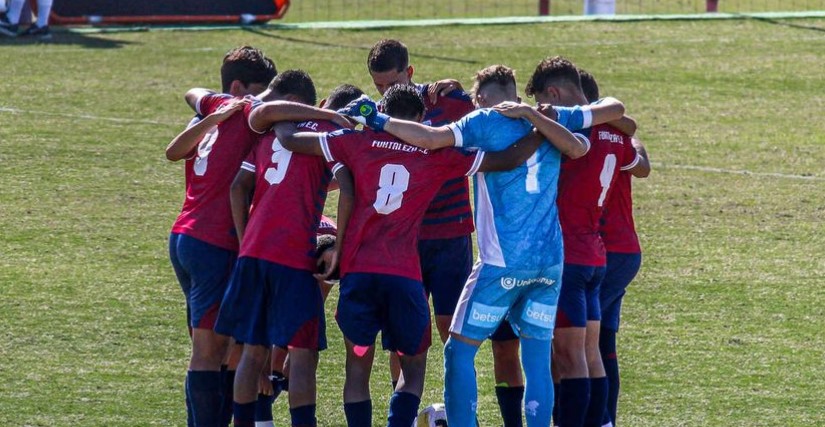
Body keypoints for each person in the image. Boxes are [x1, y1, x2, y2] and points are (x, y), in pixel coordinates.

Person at [275, 84, 552, 427]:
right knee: (414, 366)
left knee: (358, 366)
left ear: (382, 110)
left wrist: (276, 111)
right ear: (420, 118)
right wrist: (541, 129)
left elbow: (289, 139)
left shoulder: (354, 142)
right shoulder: (437, 156)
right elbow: (508, 159)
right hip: (403, 279)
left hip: (358, 276)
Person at [339, 70, 591, 427]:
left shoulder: (485, 119)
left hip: (502, 262)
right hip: (550, 264)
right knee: (536, 359)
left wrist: (377, 119)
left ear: (484, 99)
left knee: (458, 351)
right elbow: (580, 147)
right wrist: (535, 118)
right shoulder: (549, 118)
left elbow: (429, 138)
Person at [212, 70, 352, 427]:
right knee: (302, 355)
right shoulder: (328, 136)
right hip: (292, 257)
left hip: (254, 255)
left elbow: (237, 188)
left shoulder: (266, 134)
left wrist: (246, 244)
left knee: (252, 351)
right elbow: (347, 186)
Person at [524, 57, 640, 427]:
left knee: (567, 355)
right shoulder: (614, 132)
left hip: (568, 256)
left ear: (553, 94)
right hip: (595, 253)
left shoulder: (569, 132)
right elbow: (632, 136)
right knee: (592, 353)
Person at [167, 46, 276, 427]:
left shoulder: (214, 109)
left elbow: (191, 92)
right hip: (214, 242)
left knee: (219, 347)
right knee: (209, 352)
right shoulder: (248, 114)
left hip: (185, 236)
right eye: (263, 91)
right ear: (239, 87)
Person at [366, 39, 478, 394]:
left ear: (409, 72)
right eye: (378, 85)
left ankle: (456, 407)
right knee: (402, 335)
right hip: (403, 242)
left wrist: (467, 93)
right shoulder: (375, 116)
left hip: (449, 235)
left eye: (391, 84)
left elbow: (490, 117)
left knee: (451, 329)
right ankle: (406, 414)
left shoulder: (448, 102)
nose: (384, 93)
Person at [578, 70, 651, 426]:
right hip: (622, 250)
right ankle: (608, 419)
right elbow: (642, 161)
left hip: (603, 251)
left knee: (578, 343)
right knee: (603, 341)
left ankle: (595, 420)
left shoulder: (578, 134)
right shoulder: (618, 135)